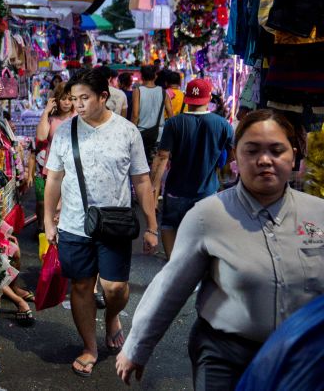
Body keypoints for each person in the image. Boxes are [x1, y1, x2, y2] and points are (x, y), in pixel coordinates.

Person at [117, 110, 324, 390]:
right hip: (226, 355)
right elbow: (170, 286)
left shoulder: (318, 213)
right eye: (252, 150)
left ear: (294, 155)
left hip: (303, 356)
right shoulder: (207, 216)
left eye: (277, 150)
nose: (265, 160)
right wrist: (137, 348)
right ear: (235, 156)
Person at [44, 68, 159, 378]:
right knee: (81, 286)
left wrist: (151, 226)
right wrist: (48, 220)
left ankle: (112, 317)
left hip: (114, 225)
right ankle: (90, 347)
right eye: (74, 98)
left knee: (116, 288)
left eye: (85, 98)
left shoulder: (126, 132)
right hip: (73, 224)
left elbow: (142, 181)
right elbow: (54, 178)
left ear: (103, 97)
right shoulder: (66, 131)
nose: (78, 105)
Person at [149, 79, 234, 259]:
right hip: (207, 191)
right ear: (209, 97)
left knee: (169, 225)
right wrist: (220, 167)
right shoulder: (223, 124)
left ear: (187, 98)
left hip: (175, 191)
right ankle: (197, 270)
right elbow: (233, 153)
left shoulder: (173, 123)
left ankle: (173, 266)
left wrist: (153, 191)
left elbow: (162, 157)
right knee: (203, 231)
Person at [33, 83, 74, 232]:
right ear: (56, 99)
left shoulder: (78, 117)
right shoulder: (51, 118)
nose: (67, 102)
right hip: (53, 167)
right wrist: (46, 112)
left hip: (72, 167)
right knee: (51, 202)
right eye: (63, 98)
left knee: (68, 203)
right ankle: (50, 234)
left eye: (70, 99)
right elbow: (41, 136)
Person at [131, 65, 173, 166]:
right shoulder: (163, 92)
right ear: (155, 76)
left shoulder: (138, 91)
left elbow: (135, 114)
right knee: (154, 166)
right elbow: (171, 115)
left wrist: (131, 131)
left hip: (141, 134)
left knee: (141, 166)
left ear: (142, 76)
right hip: (158, 135)